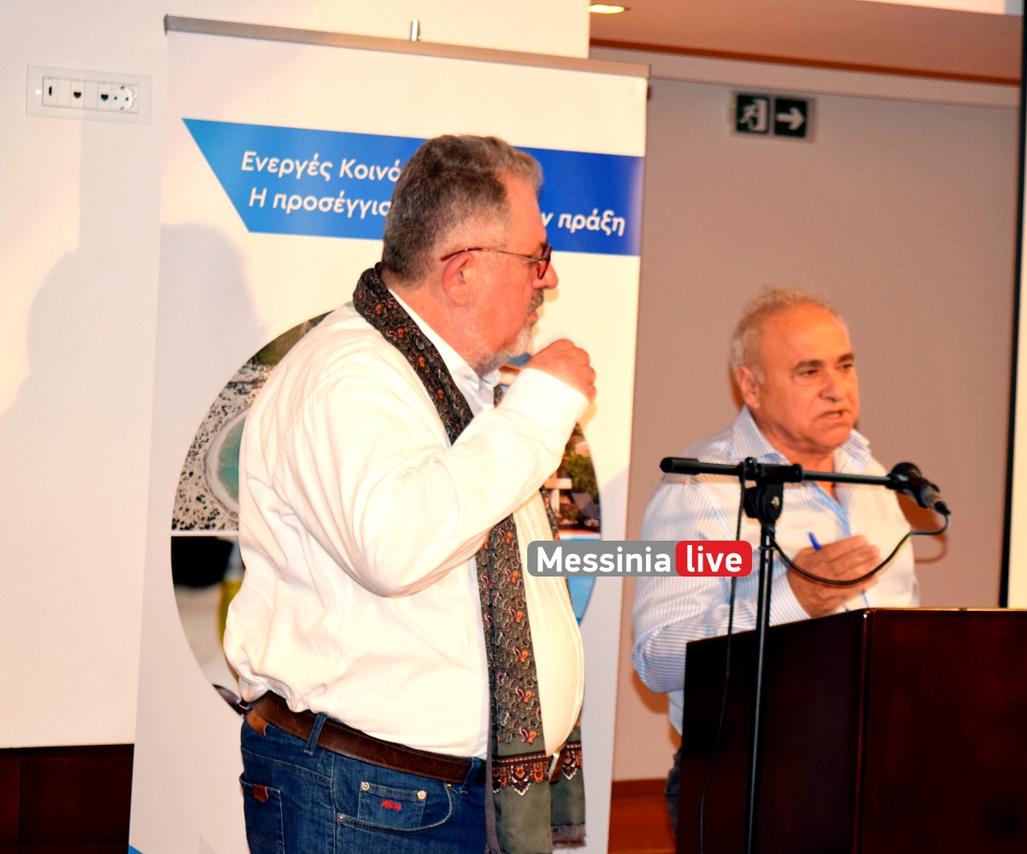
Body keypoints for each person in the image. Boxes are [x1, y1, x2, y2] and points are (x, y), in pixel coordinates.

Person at [222, 135, 595, 854]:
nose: (548, 280)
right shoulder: (351, 375)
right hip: (370, 801)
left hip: (416, 801)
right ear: (462, 271)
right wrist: (541, 407)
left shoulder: (449, 382)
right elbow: (396, 547)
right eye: (537, 257)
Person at [632, 289, 920, 825]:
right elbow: (658, 658)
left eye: (845, 365)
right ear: (751, 386)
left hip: (880, 778)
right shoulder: (704, 490)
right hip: (753, 782)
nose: (836, 388)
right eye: (809, 371)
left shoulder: (875, 479)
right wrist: (793, 600)